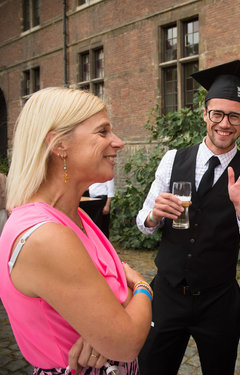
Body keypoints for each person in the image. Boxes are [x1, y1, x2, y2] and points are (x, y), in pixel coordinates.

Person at [0, 87, 152, 374]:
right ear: (59, 144)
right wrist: (144, 286)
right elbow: (127, 342)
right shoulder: (46, 236)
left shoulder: (74, 215)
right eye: (103, 132)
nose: (118, 142)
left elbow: (112, 298)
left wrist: (104, 326)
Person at [136, 60, 240, 375]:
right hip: (167, 294)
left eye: (235, 115)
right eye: (217, 114)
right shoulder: (172, 160)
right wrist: (155, 215)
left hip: (218, 302)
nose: (225, 123)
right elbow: (143, 224)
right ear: (204, 113)